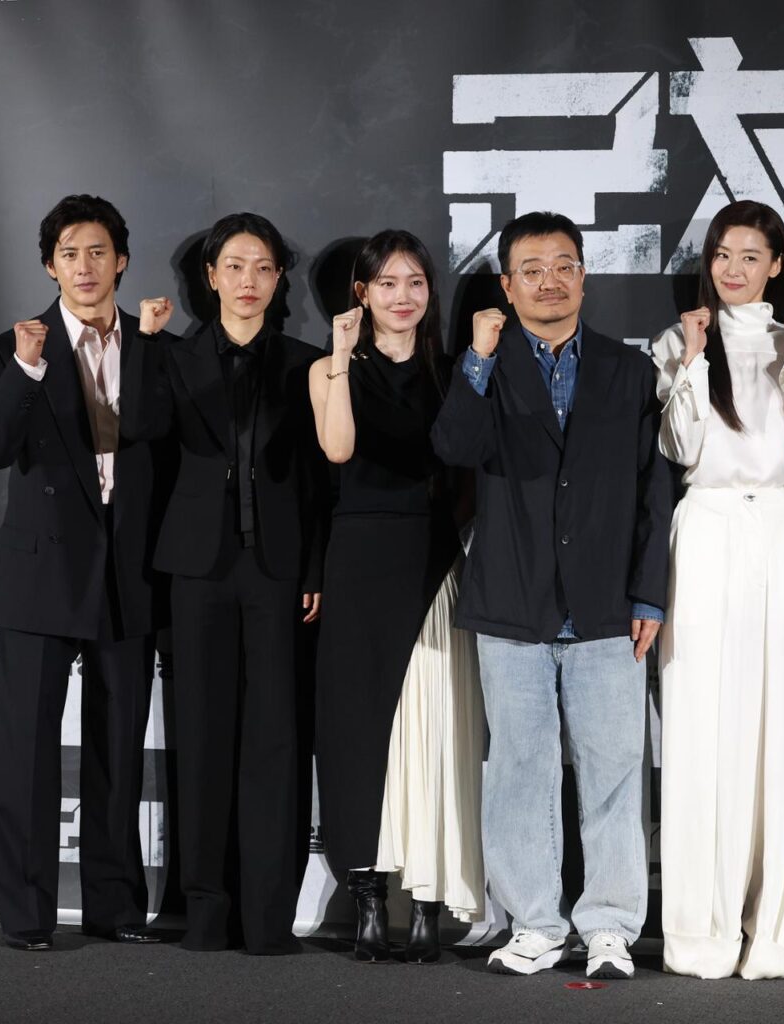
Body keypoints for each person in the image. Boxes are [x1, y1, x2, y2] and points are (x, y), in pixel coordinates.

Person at [431, 211, 672, 979]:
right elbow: (453, 447)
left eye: (564, 265)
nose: (549, 281)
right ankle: (534, 922)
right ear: (506, 285)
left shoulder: (627, 369)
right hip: (512, 598)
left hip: (605, 605)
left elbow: (653, 490)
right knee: (519, 770)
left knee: (613, 771)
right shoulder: (485, 364)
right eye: (531, 269)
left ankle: (609, 927)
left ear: (583, 276)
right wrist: (478, 357)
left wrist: (649, 595)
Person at [122, 212, 329, 955]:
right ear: (210, 277)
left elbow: (319, 479)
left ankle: (269, 918)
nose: (249, 281)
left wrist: (315, 568)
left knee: (277, 740)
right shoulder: (171, 358)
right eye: (235, 267)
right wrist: (145, 347)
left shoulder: (308, 363)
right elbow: (137, 435)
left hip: (278, 569)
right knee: (202, 737)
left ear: (279, 280)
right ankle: (205, 914)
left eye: (263, 267)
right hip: (195, 568)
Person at [0, 194, 166, 951]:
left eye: (96, 251)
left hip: (129, 569)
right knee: (24, 750)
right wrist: (27, 369)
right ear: (49, 267)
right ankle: (26, 915)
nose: (83, 266)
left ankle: (115, 908)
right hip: (41, 572)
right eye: (68, 254)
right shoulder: (9, 350)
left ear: (121, 261)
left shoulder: (154, 346)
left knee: (118, 747)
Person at [649, 199, 784, 980]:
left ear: (776, 265)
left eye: (751, 255)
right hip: (706, 529)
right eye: (723, 254)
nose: (734, 269)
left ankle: (779, 935)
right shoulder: (677, 340)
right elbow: (679, 445)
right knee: (701, 728)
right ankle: (702, 933)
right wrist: (692, 358)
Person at [307, 230, 483, 964]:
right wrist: (342, 355)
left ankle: (430, 903)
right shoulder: (329, 368)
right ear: (362, 293)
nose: (402, 296)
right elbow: (338, 449)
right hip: (358, 560)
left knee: (433, 730)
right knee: (357, 732)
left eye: (415, 282)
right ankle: (368, 900)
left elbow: (467, 465)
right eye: (386, 283)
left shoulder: (453, 370)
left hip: (434, 562)